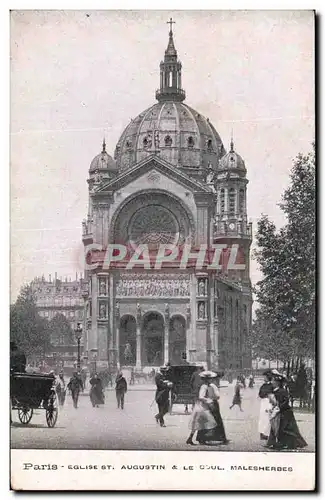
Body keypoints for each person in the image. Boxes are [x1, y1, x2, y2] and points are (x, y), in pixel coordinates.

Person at [187, 370, 229, 445]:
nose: (211, 380)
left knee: (200, 423)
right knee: (203, 423)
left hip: (204, 406)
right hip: (202, 407)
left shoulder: (209, 386)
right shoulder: (204, 386)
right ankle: (197, 438)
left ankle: (195, 438)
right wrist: (209, 400)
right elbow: (201, 396)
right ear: (206, 379)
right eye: (209, 379)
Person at [266, 374, 307, 450]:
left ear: (277, 383)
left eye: (274, 381)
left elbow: (286, 401)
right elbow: (275, 402)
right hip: (280, 411)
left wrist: (279, 408)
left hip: (286, 412)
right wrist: (272, 408)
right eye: (272, 381)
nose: (272, 382)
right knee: (276, 427)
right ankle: (272, 443)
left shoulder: (282, 391)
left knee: (286, 429)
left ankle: (289, 443)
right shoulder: (276, 391)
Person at [258, 370, 273, 440]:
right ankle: (262, 433)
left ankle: (266, 433)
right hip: (263, 402)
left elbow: (271, 394)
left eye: (265, 377)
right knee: (262, 417)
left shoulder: (271, 386)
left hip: (269, 402)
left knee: (268, 417)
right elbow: (260, 394)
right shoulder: (263, 385)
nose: (264, 378)